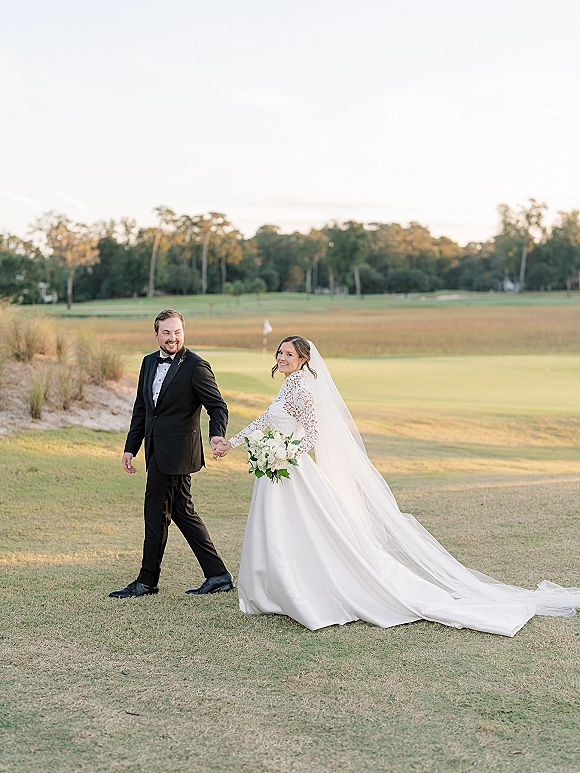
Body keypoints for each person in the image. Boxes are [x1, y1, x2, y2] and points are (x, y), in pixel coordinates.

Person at [213, 336, 580, 636]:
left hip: (290, 469)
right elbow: (265, 420)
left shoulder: (303, 388)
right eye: (280, 353)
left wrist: (285, 454)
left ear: (304, 359)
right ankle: (274, 590)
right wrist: (234, 442)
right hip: (278, 469)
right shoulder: (288, 386)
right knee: (279, 530)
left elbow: (313, 433)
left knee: (304, 530)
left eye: (289, 354)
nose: (282, 357)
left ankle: (302, 591)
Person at [109, 309, 233, 599]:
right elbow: (142, 408)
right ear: (156, 334)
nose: (172, 337)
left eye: (177, 332)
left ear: (183, 332)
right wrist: (131, 447)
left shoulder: (196, 366)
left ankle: (146, 581)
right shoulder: (148, 362)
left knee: (155, 515)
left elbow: (218, 406)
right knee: (182, 512)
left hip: (177, 455)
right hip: (154, 451)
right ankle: (218, 575)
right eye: (166, 332)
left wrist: (217, 434)